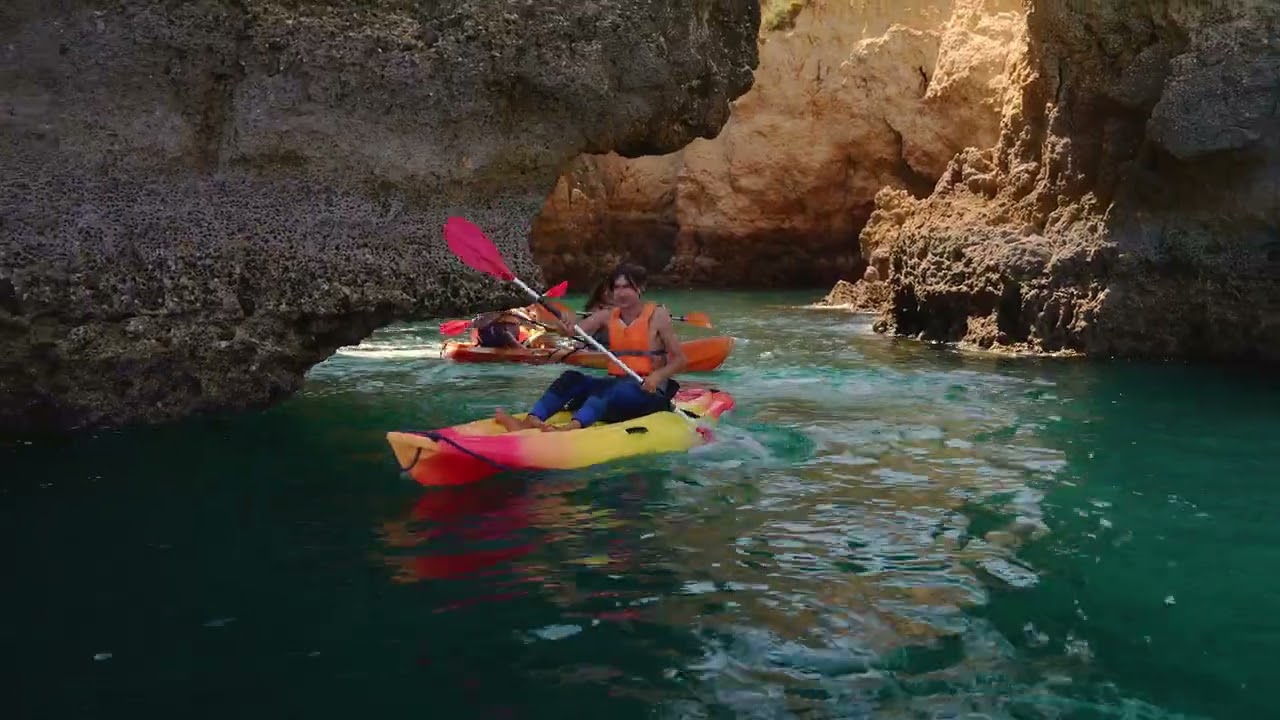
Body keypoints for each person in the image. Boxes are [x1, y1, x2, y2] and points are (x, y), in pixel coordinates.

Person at [494, 263, 687, 432]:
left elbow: (680, 360)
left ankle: (571, 429)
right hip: (618, 388)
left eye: (627, 286)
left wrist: (657, 376)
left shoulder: (658, 316)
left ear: (641, 288)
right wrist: (564, 326)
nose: (621, 292)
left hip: (648, 394)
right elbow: (573, 331)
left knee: (610, 390)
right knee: (571, 378)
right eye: (617, 287)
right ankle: (530, 421)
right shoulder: (607, 315)